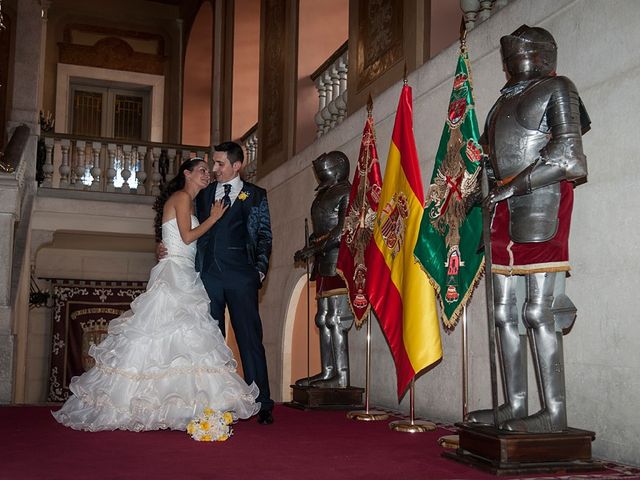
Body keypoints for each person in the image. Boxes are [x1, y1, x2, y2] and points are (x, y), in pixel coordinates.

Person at [53, 157, 260, 432]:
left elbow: (179, 237)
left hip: (184, 271)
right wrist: (214, 218)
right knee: (166, 337)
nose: (206, 175)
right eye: (201, 171)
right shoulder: (182, 197)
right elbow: (187, 237)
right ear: (186, 173)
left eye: (207, 172)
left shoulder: (188, 199)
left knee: (181, 343)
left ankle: (176, 407)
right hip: (174, 273)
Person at [466, 25, 589, 433]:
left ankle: (554, 416)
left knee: (538, 311)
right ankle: (515, 404)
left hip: (542, 201)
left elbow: (569, 158)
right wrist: (478, 191)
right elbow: (491, 158)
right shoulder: (500, 105)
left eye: (523, 52)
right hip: (502, 207)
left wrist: (511, 187)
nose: (516, 60)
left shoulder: (558, 89)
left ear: (543, 54)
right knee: (503, 311)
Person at [195, 141, 275, 425]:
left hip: (242, 276)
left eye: (219, 164)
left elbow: (265, 236)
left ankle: (262, 401)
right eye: (213, 163)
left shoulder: (255, 195)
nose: (213, 169)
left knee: (250, 339)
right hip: (209, 277)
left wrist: (259, 272)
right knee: (210, 340)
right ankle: (215, 401)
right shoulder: (203, 194)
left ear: (236, 165)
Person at [293, 151, 354, 388]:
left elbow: (343, 228)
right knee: (322, 318)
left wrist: (314, 249)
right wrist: (309, 246)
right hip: (323, 260)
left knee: (337, 319)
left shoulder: (346, 191)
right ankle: (328, 371)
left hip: (338, 261)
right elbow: (320, 230)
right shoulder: (326, 193)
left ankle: (342, 376)